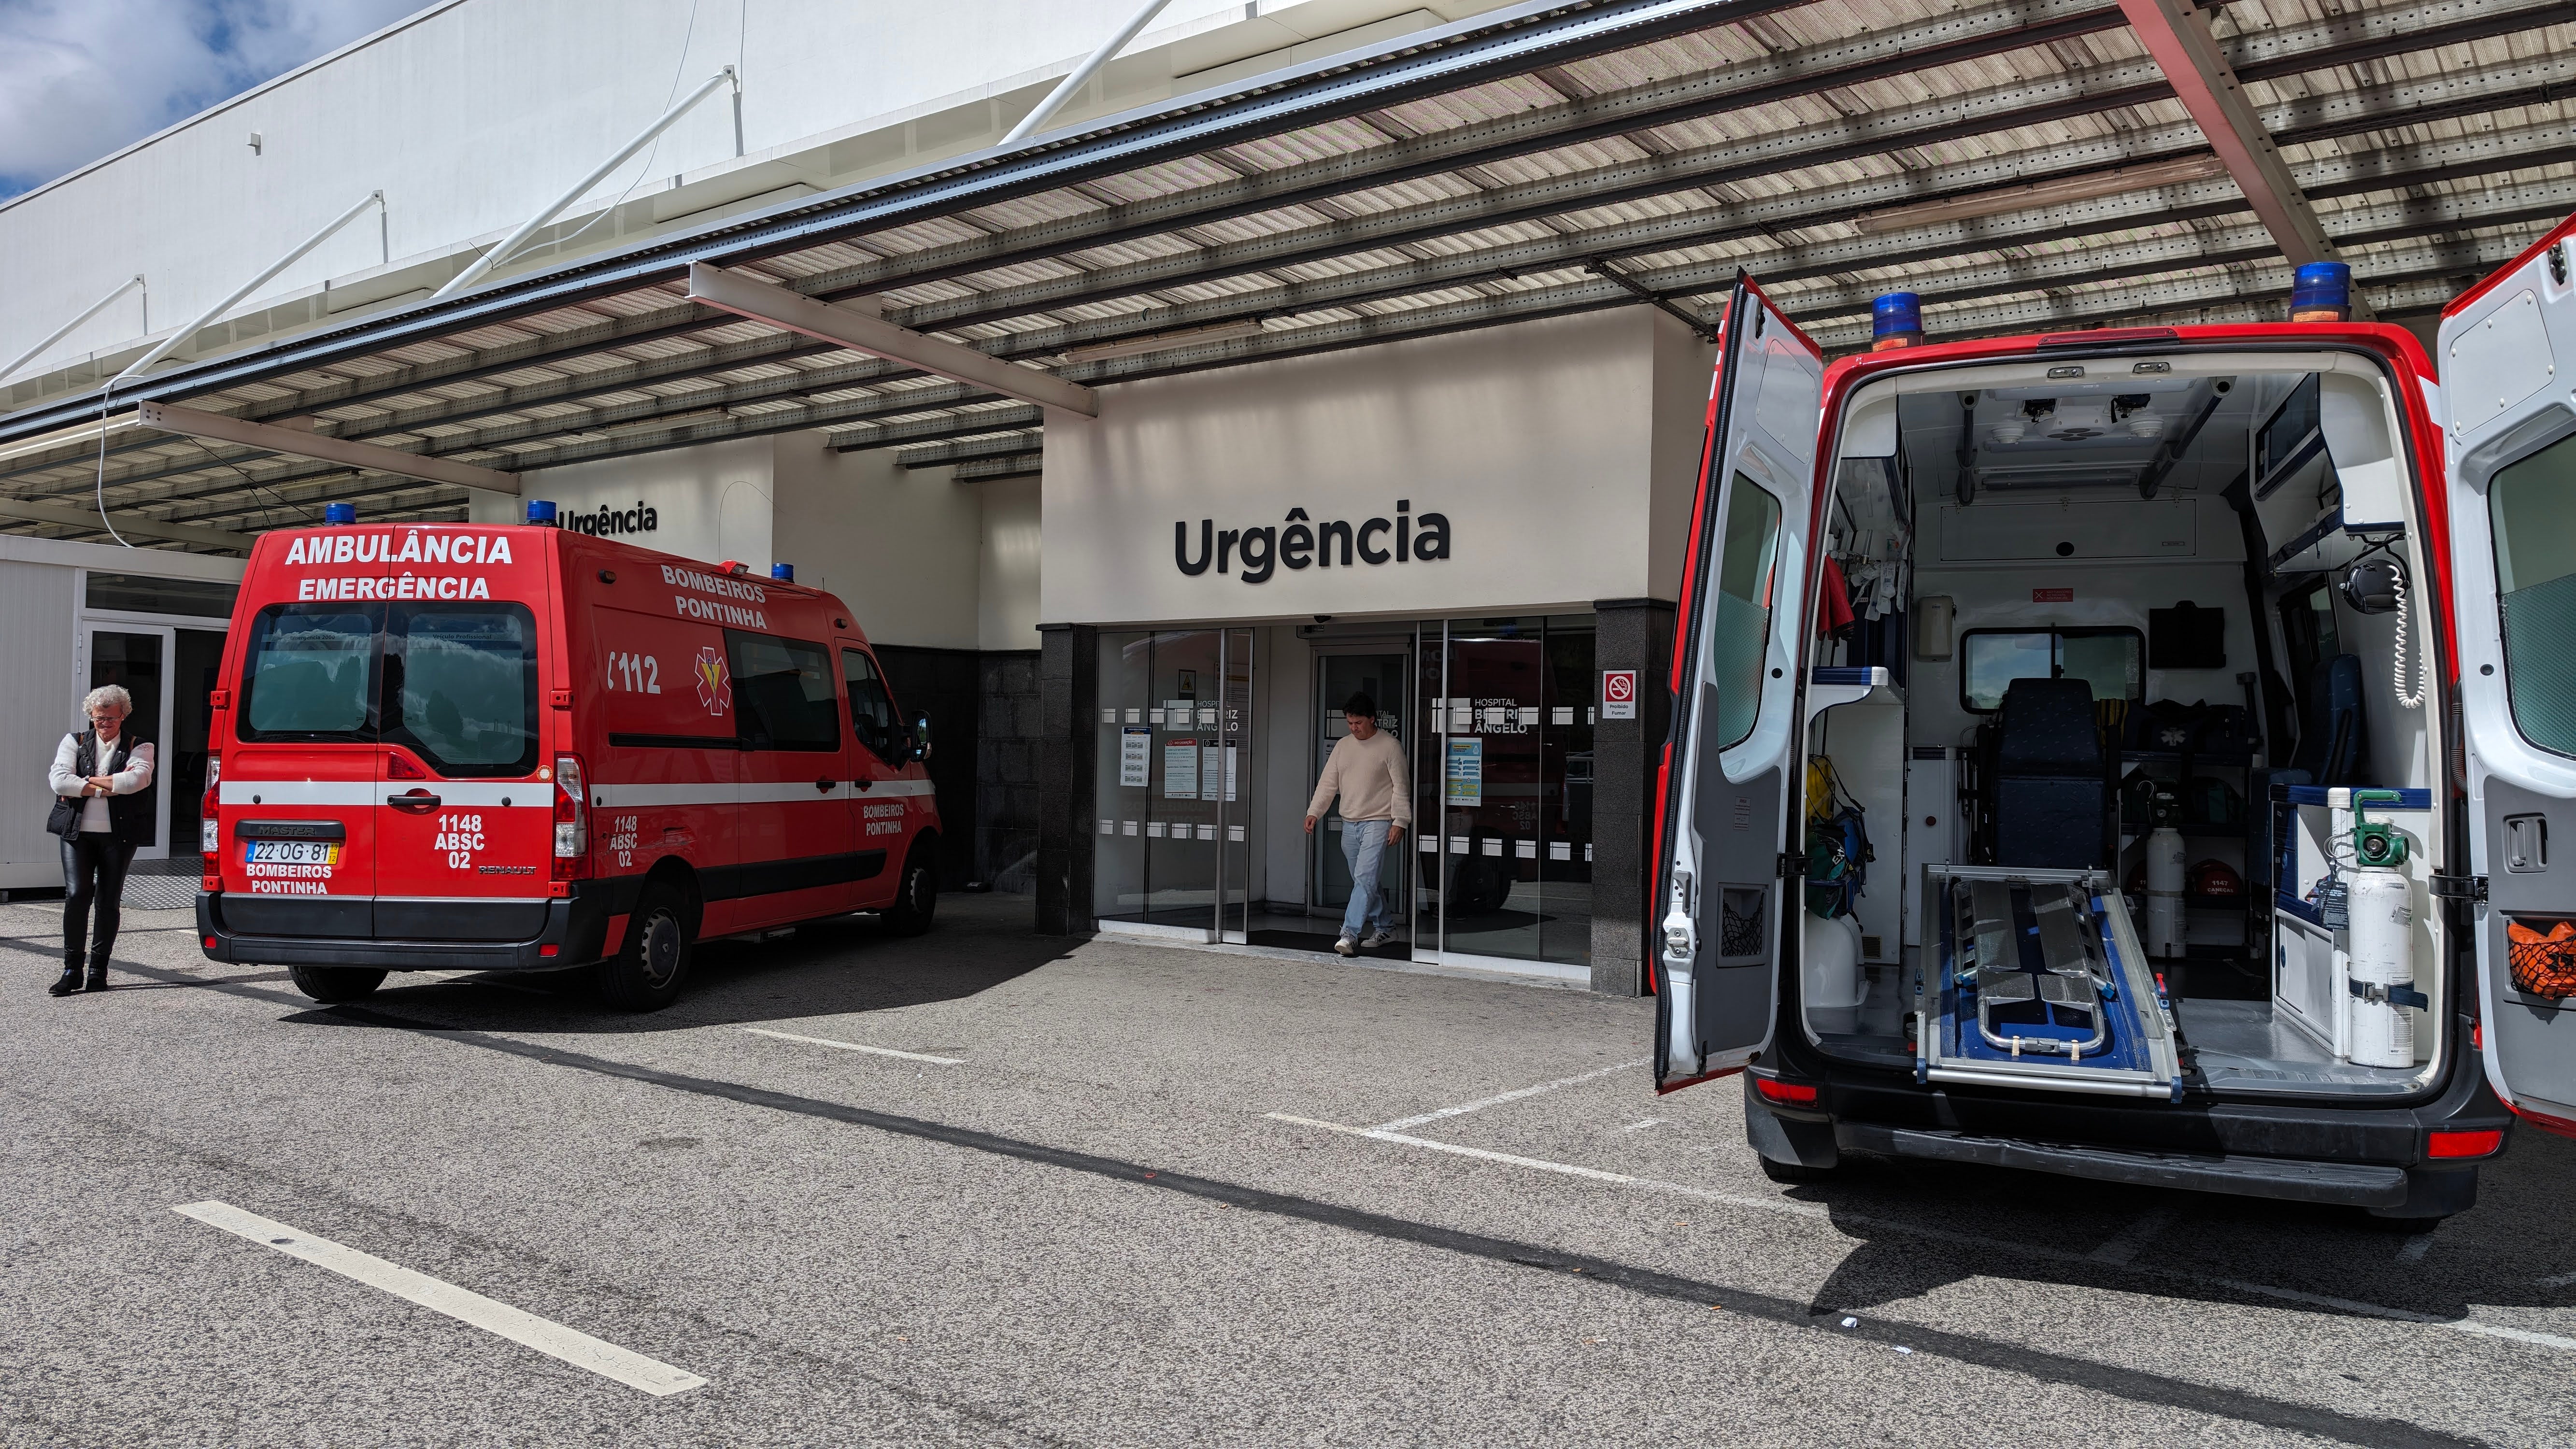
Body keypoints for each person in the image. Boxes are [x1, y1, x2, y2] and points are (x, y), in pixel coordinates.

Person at [47, 685, 155, 996]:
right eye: (98, 718)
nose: (104, 724)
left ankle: (98, 971)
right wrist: (106, 788)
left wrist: (83, 783)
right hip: (76, 833)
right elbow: (59, 781)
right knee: (77, 894)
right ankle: (72, 970)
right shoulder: (74, 741)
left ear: (123, 716)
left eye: (110, 718)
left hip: (119, 835)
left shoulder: (140, 745)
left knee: (108, 901)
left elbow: (136, 780)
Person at [1304, 691, 1409, 956]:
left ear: (1372, 719)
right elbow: (1328, 783)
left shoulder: (1390, 746)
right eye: (1350, 723)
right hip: (1349, 823)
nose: (1354, 728)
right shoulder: (1343, 746)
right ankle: (1386, 927)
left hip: (1378, 821)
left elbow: (1401, 787)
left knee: (1364, 879)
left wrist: (1400, 821)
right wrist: (1314, 811)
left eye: (1358, 722)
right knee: (1365, 880)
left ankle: (1349, 935)